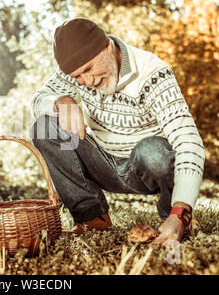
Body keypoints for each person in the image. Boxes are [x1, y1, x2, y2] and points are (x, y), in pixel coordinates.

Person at [29, 18, 205, 246]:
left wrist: (181, 212)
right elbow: (35, 101)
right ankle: (93, 218)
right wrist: (59, 101)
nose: (88, 81)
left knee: (153, 151)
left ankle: (174, 218)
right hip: (103, 162)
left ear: (107, 47)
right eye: (77, 77)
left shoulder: (153, 74)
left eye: (89, 70)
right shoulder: (76, 71)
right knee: (43, 127)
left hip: (145, 166)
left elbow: (188, 142)